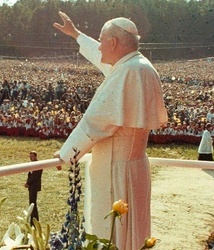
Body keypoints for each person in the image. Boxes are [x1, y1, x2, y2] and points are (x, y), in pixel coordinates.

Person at [53, 11, 168, 249]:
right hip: (132, 166)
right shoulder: (135, 66)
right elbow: (101, 57)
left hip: (117, 170)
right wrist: (76, 34)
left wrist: (67, 154)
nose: (100, 47)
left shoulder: (129, 71)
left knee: (115, 234)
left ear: (114, 43)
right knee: (132, 233)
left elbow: (96, 121)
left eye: (102, 40)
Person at [25, 150, 43, 226]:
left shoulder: (39, 165)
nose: (30, 158)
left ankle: (34, 221)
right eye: (30, 156)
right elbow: (30, 174)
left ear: (35, 156)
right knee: (32, 203)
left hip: (34, 186)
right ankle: (33, 220)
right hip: (31, 186)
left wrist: (28, 183)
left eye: (32, 156)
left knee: (33, 204)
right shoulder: (31, 164)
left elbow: (35, 176)